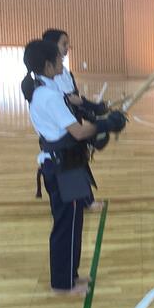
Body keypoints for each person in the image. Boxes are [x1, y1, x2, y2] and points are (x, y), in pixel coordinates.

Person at [21, 39, 126, 294]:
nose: (63, 60)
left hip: (67, 163)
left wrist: (99, 120)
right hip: (62, 168)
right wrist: (106, 124)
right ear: (48, 65)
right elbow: (78, 132)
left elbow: (73, 127)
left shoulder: (46, 90)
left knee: (74, 221)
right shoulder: (47, 96)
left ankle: (70, 275)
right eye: (59, 58)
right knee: (66, 226)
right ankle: (62, 283)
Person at [43, 28, 109, 209]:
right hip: (62, 127)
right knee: (71, 162)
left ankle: (84, 200)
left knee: (78, 160)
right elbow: (69, 99)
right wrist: (92, 108)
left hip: (71, 121)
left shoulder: (64, 71)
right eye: (63, 44)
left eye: (67, 44)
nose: (67, 48)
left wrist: (92, 111)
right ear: (51, 46)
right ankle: (80, 202)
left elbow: (75, 97)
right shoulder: (50, 76)